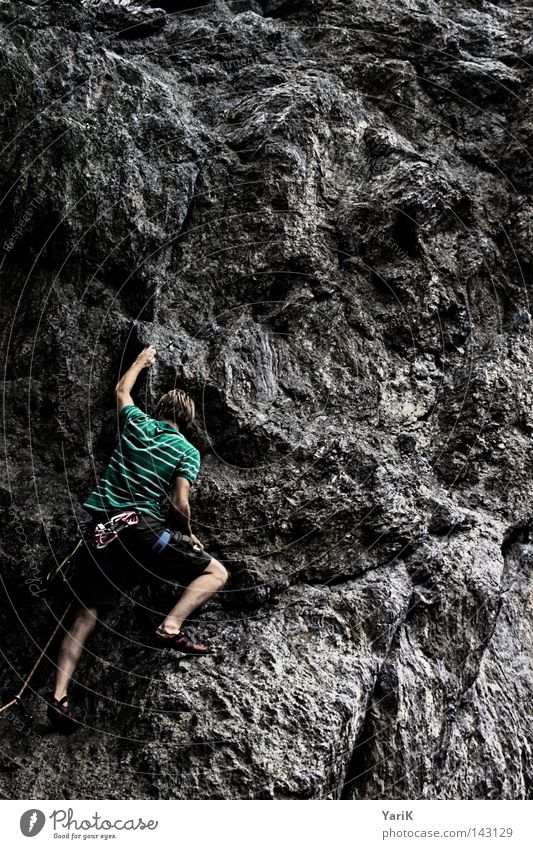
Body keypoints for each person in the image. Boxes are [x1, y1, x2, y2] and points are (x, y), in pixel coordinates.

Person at [46, 345, 228, 733]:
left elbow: (121, 393)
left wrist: (141, 363)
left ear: (159, 409)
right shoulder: (186, 450)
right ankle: (170, 627)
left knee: (84, 617)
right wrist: (189, 535)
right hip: (142, 531)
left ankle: (59, 696)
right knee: (215, 573)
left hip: (102, 533)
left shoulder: (136, 424)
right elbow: (179, 503)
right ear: (188, 421)